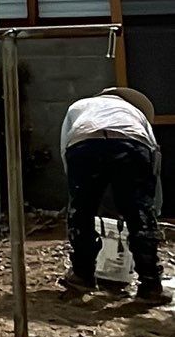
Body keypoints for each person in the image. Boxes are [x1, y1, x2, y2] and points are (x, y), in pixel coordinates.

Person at [58, 84, 164, 301]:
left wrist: (78, 192)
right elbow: (154, 159)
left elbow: (65, 146)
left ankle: (82, 275)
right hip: (132, 144)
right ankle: (150, 284)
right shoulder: (135, 113)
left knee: (81, 214)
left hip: (85, 143)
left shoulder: (79, 106)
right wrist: (151, 207)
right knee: (139, 214)